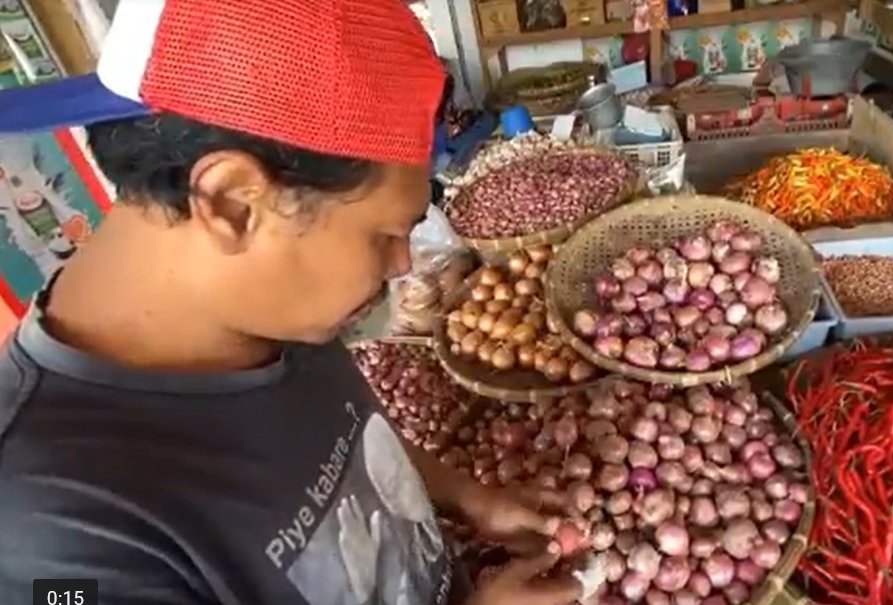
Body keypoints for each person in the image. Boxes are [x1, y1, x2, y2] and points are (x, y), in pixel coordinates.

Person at [0, 2, 584, 605]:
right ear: (231, 202)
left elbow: (345, 437)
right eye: (385, 235)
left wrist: (465, 496)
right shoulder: (46, 526)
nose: (404, 265)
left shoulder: (265, 299)